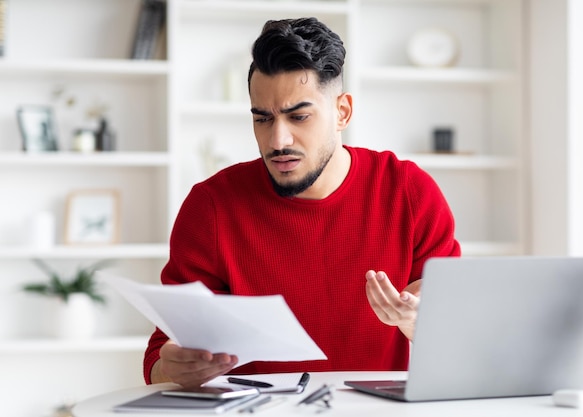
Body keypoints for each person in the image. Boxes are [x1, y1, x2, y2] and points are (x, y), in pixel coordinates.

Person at [144, 17, 460, 388]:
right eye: (263, 119)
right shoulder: (212, 206)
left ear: (341, 112)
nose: (278, 139)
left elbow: (456, 339)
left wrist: (418, 323)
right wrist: (173, 368)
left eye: (299, 117)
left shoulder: (409, 192)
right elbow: (159, 358)